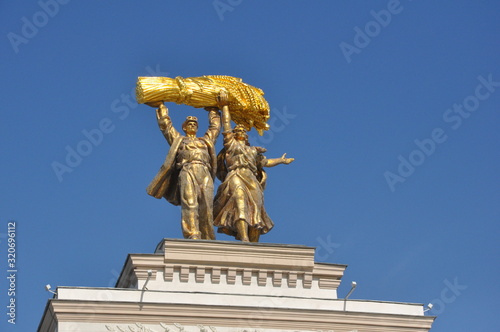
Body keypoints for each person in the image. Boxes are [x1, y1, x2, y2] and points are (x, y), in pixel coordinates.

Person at [214, 91, 294, 242]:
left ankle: (252, 239)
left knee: (256, 208)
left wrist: (281, 161)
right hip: (236, 175)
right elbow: (226, 125)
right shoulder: (231, 145)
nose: (241, 132)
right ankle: (243, 236)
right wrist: (224, 106)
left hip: (251, 179)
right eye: (237, 130)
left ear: (246, 135)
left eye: (243, 131)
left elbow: (265, 163)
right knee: (239, 202)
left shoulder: (253, 151)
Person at [146, 103, 221, 240]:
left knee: (206, 205)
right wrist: (161, 107)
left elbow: (215, 128)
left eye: (194, 124)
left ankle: (207, 236)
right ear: (184, 127)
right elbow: (166, 127)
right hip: (187, 170)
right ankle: (192, 234)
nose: (192, 126)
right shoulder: (179, 140)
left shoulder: (205, 141)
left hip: (204, 172)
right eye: (189, 124)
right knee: (190, 202)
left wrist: (214, 111)